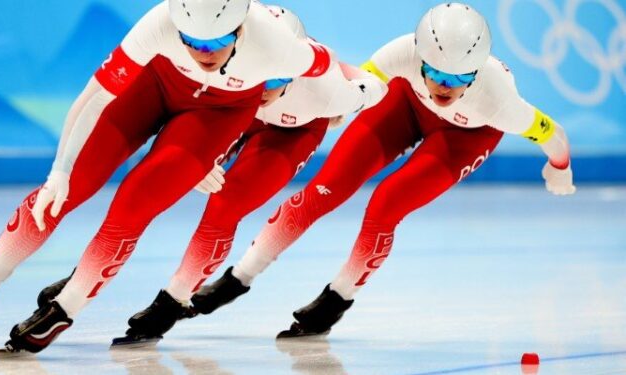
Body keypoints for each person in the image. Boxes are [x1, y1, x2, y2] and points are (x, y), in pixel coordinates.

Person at [0, 0, 334, 353]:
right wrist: (59, 172)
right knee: (69, 185)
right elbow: (93, 98)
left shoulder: (284, 46)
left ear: (241, 30)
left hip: (217, 115)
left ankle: (65, 309)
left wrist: (336, 106)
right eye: (191, 40)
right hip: (155, 85)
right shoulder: (159, 21)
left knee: (132, 204)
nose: (204, 51)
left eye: (218, 40)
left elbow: (350, 80)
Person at [188, 3, 576, 338]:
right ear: (419, 57)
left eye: (459, 79)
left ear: (476, 74)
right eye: (436, 73)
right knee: (326, 188)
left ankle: (338, 297)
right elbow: (360, 82)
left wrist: (561, 169)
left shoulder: (500, 102)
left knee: (386, 204)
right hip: (405, 104)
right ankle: (240, 277)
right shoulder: (401, 53)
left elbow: (553, 135)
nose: (444, 87)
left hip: (467, 135)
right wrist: (342, 105)